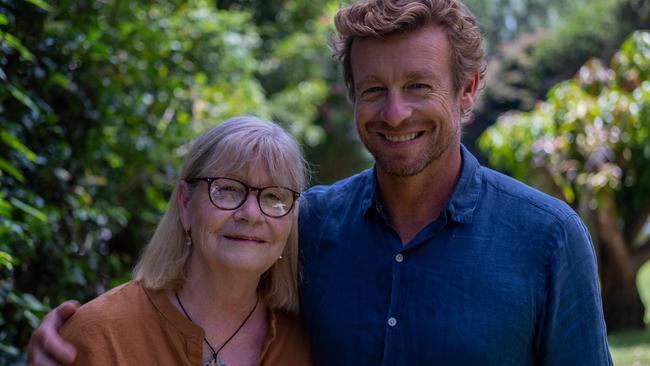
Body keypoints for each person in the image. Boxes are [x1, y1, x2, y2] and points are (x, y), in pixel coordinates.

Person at [29, 0, 612, 365]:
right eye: (374, 89)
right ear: (352, 94)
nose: (395, 113)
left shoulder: (549, 238)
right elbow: (196, 295)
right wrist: (74, 343)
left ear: (467, 90)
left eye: (418, 86)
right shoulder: (304, 224)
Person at [31, 116, 312, 365]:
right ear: (185, 202)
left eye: (275, 196)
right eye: (227, 189)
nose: (251, 214)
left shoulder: (307, 347)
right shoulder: (98, 336)